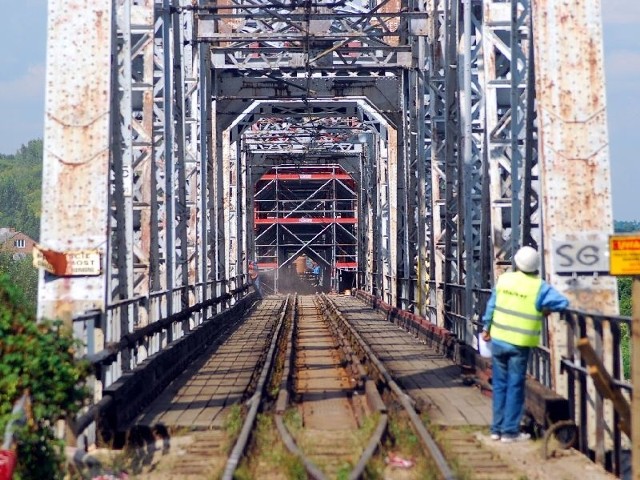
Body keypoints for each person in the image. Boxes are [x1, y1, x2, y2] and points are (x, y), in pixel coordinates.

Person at [481, 246, 568, 443]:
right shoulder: (539, 286)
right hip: (519, 345)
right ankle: (510, 432)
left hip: (499, 340)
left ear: (517, 263)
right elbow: (563, 303)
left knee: (500, 385)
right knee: (515, 386)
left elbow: (491, 305)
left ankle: (496, 429)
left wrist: (487, 328)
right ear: (536, 266)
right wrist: (545, 309)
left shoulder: (504, 280)